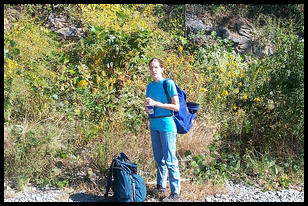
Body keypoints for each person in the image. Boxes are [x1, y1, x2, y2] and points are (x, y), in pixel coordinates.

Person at [145, 58, 181, 202]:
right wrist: (148, 108)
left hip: (167, 124)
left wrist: (156, 104)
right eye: (151, 67)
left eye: (156, 67)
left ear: (162, 68)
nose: (153, 70)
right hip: (154, 124)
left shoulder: (168, 83)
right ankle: (161, 186)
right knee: (159, 158)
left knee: (170, 159)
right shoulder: (149, 86)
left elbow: (176, 107)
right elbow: (149, 105)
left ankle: (175, 193)